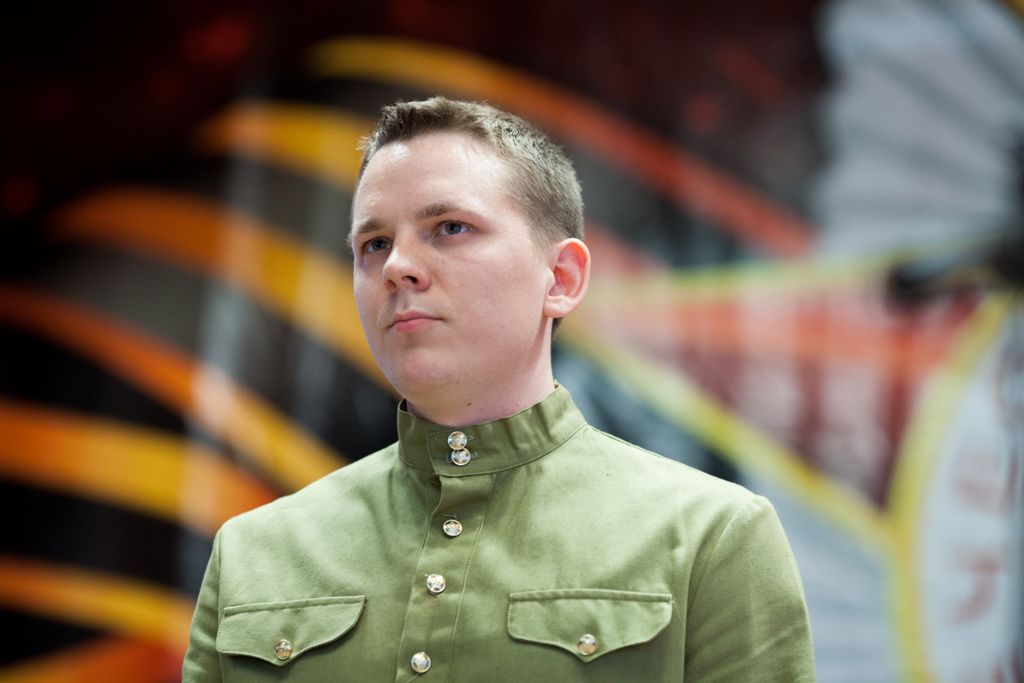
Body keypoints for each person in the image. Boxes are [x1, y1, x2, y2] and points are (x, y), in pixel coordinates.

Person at [182, 96, 815, 681]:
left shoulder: (710, 537)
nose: (397, 266)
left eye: (449, 227)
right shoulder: (253, 553)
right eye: (374, 243)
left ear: (561, 278)